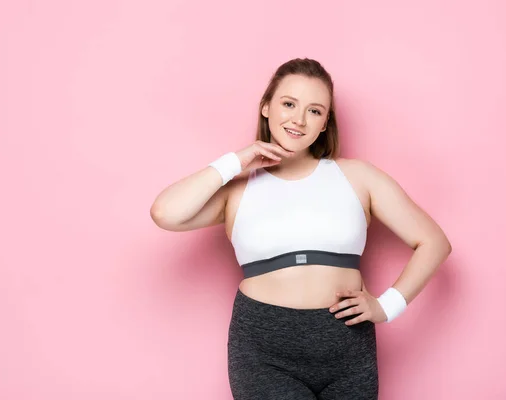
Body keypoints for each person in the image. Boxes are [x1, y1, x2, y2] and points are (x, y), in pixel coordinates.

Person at [150, 58, 452, 400]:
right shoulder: (238, 188)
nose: (298, 119)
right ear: (266, 107)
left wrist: (387, 306)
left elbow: (434, 242)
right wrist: (236, 160)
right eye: (289, 104)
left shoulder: (358, 176)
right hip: (264, 349)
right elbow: (165, 212)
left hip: (347, 347)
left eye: (314, 111)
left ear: (325, 124)